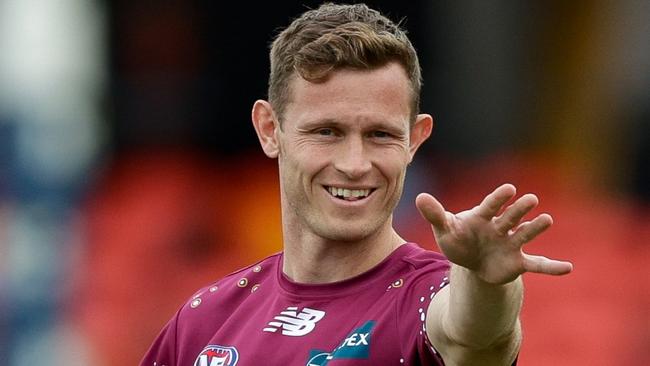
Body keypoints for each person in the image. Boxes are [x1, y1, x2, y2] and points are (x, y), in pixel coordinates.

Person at [141, 3, 573, 365]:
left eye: (380, 135)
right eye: (327, 131)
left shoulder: (422, 299)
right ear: (270, 130)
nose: (354, 164)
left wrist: (485, 281)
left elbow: (475, 336)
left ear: (415, 139)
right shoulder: (205, 319)